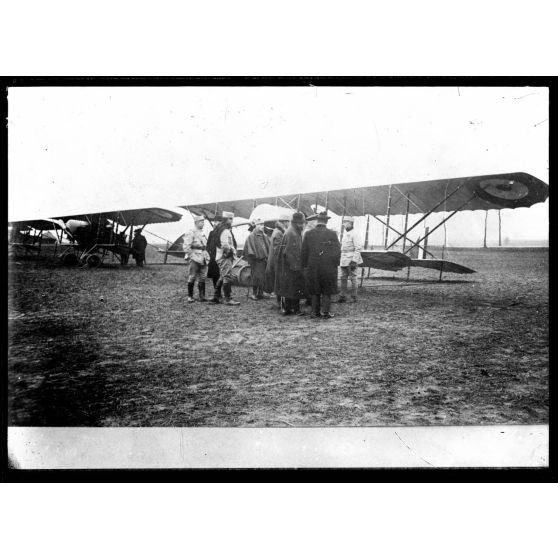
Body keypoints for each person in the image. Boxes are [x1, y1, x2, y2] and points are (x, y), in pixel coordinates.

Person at [301, 211, 341, 318]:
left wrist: (305, 266)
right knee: (326, 291)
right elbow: (337, 252)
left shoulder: (308, 234)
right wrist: (334, 264)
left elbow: (304, 252)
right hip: (328, 268)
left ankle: (315, 312)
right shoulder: (332, 234)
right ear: (326, 221)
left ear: (317, 221)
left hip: (313, 267)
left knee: (315, 290)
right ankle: (326, 312)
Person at [275, 211, 306, 316]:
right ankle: (289, 309)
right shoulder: (292, 233)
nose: (303, 225)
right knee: (289, 287)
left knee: (290, 288)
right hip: (290, 266)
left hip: (290, 265)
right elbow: (289, 252)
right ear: (297, 223)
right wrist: (295, 266)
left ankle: (290, 308)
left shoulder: (293, 231)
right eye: (301, 223)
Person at [265, 213, 291, 309]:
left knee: (278, 282)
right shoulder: (279, 233)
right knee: (279, 282)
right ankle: (280, 303)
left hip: (275, 261)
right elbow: (278, 251)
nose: (289, 224)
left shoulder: (277, 231)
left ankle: (279, 302)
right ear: (284, 222)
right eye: (288, 222)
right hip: (276, 262)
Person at [213, 211, 240, 306]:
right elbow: (224, 244)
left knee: (223, 275)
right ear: (226, 219)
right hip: (224, 257)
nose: (232, 221)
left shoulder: (220, 228)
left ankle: (216, 296)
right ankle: (228, 298)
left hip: (220, 256)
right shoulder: (225, 230)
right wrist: (229, 253)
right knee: (227, 276)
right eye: (230, 219)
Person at [184, 215, 210, 302]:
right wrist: (192, 256)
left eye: (203, 222)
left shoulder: (203, 233)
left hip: (203, 256)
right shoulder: (190, 232)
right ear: (196, 222)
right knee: (192, 276)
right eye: (201, 222)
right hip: (195, 257)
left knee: (203, 276)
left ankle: (201, 296)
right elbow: (186, 247)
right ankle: (190, 296)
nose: (203, 223)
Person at [244, 217, 271, 300]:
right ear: (256, 225)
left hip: (264, 260)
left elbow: (268, 246)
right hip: (256, 261)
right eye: (260, 225)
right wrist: (252, 258)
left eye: (263, 224)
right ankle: (254, 293)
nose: (262, 226)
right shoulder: (251, 236)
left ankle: (261, 293)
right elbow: (248, 248)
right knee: (256, 277)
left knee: (262, 277)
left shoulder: (264, 236)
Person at [338, 216, 363, 303]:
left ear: (350, 223)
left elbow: (358, 248)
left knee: (353, 279)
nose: (344, 224)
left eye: (345, 222)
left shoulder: (354, 233)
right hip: (344, 260)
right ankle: (342, 296)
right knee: (343, 278)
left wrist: (354, 261)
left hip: (351, 260)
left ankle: (354, 297)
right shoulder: (345, 234)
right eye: (343, 222)